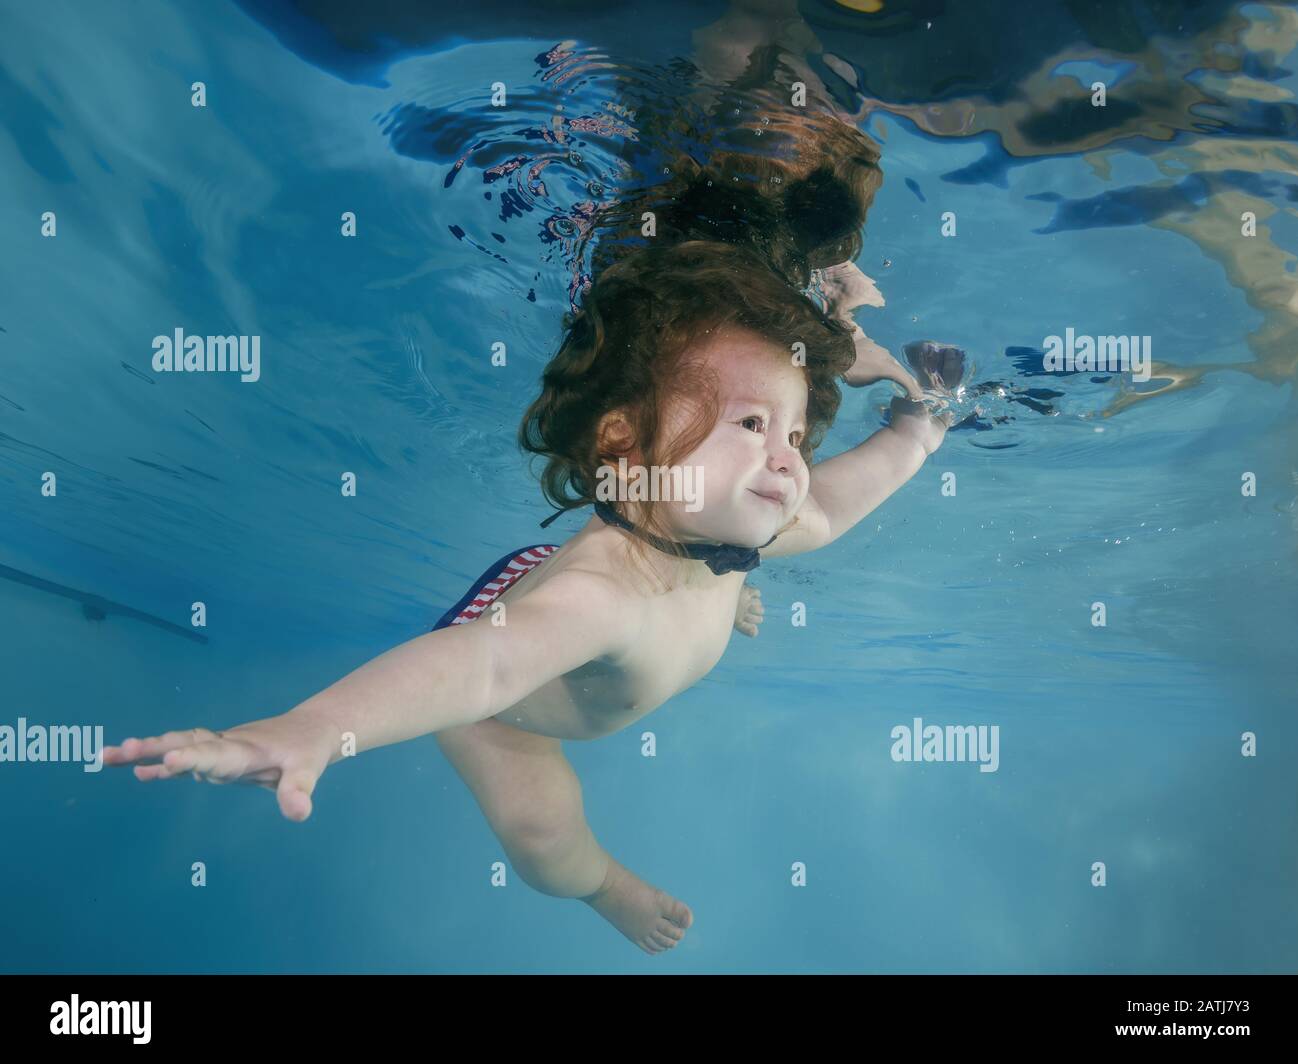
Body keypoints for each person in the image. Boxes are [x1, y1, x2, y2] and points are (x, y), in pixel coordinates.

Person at [104, 239, 958, 955]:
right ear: (625, 440)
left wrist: (918, 430)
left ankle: (712, 583)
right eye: (749, 425)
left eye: (794, 432)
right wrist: (316, 730)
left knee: (761, 540)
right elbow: (483, 665)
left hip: (630, 558)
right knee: (545, 837)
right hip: (500, 704)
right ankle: (603, 890)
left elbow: (837, 503)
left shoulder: (748, 517)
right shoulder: (600, 601)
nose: (786, 458)